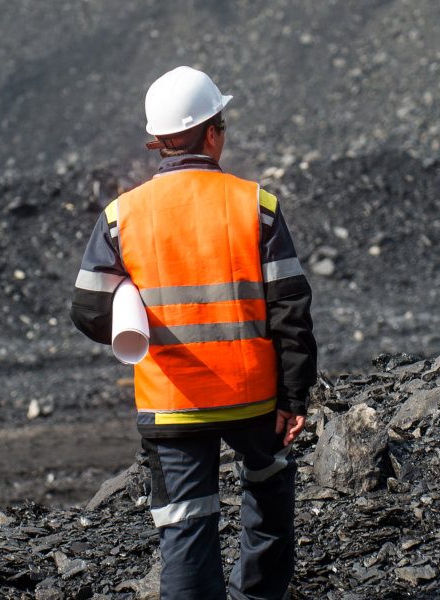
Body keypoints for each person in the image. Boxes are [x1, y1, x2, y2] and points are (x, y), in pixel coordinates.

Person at [70, 66, 318, 600]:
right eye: (222, 126)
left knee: (185, 528)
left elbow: (89, 311)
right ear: (211, 133)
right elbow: (291, 309)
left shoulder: (121, 216)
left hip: (171, 406)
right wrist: (294, 395)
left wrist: (128, 305)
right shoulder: (257, 206)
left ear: (157, 141)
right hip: (255, 398)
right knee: (269, 503)